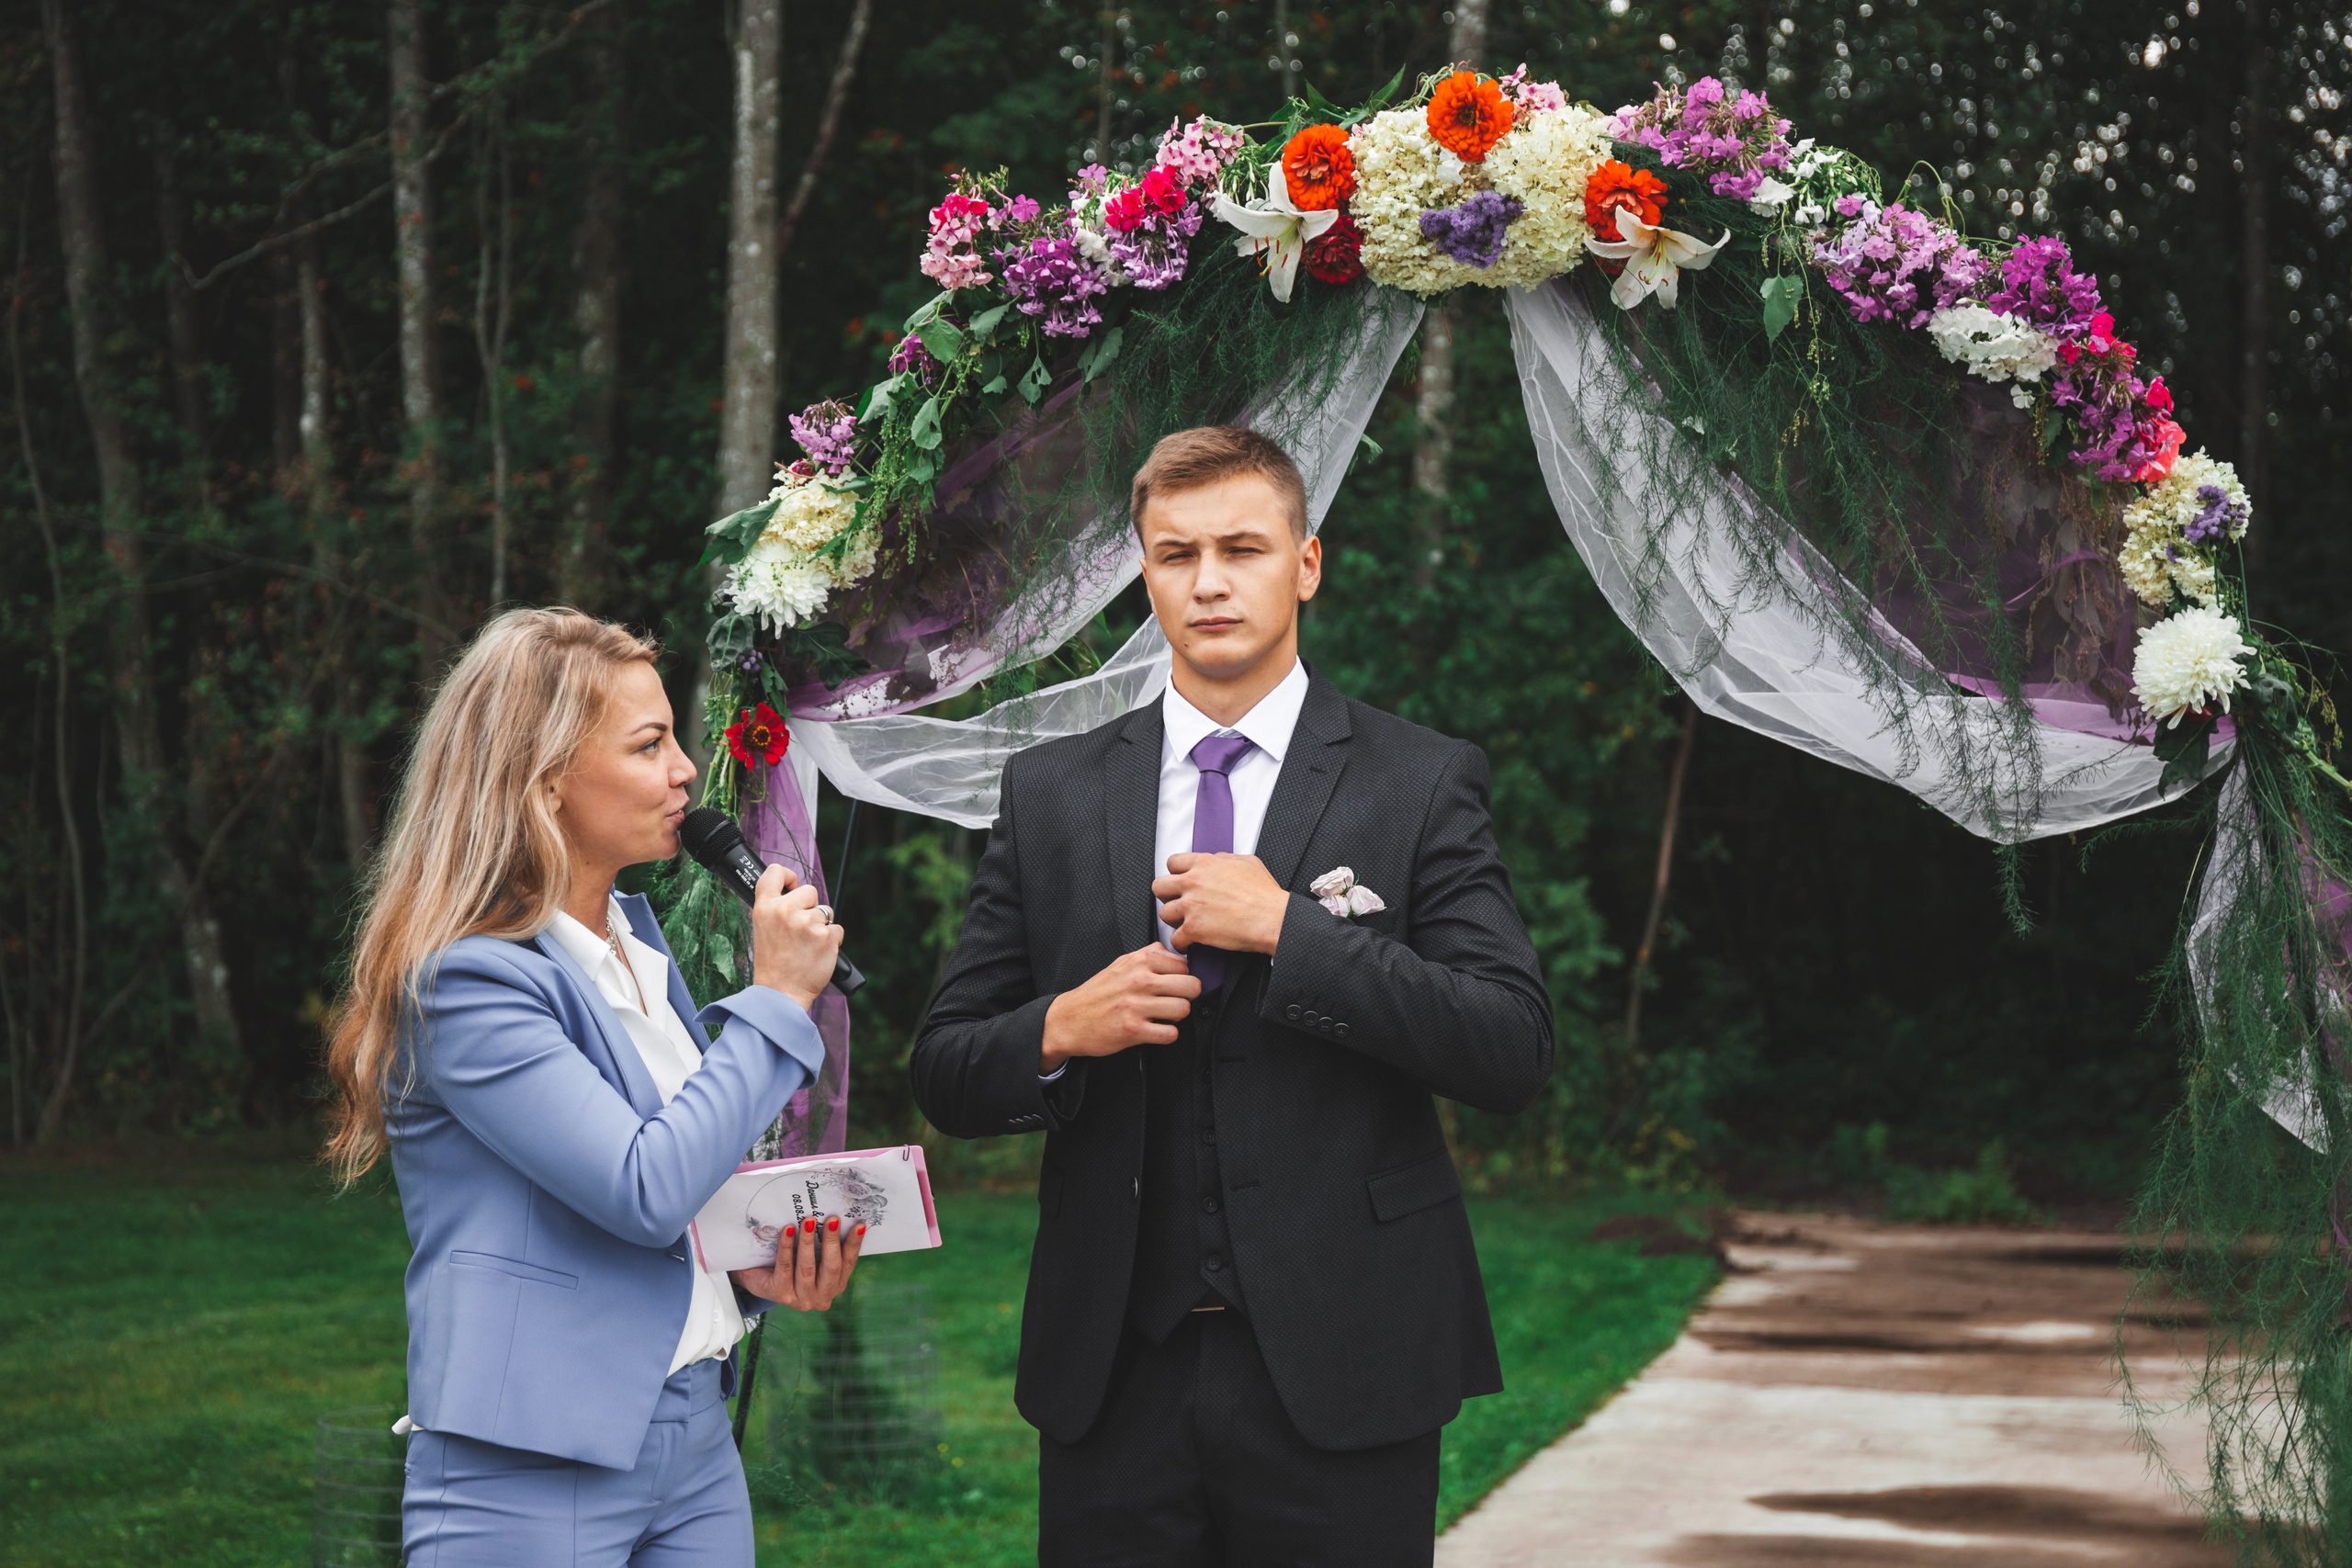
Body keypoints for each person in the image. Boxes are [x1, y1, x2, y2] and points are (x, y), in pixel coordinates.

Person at [911, 426, 1555, 1566]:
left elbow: (1508, 1046)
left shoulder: (1416, 780)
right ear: (1144, 571)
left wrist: (1291, 934)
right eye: (1175, 554)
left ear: (1305, 563)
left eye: (1243, 548)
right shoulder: (1051, 792)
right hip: (1113, 1370)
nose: (1209, 582)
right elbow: (948, 1070)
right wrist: (1062, 1028)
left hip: (1345, 1358)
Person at [322, 608, 865, 1567]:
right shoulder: (466, 980)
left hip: (695, 1440)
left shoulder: (633, 942)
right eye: (649, 744)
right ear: (544, 780)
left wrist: (742, 1271)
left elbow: (679, 1181)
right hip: (531, 1458)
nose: (687, 770)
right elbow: (640, 1188)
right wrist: (778, 998)